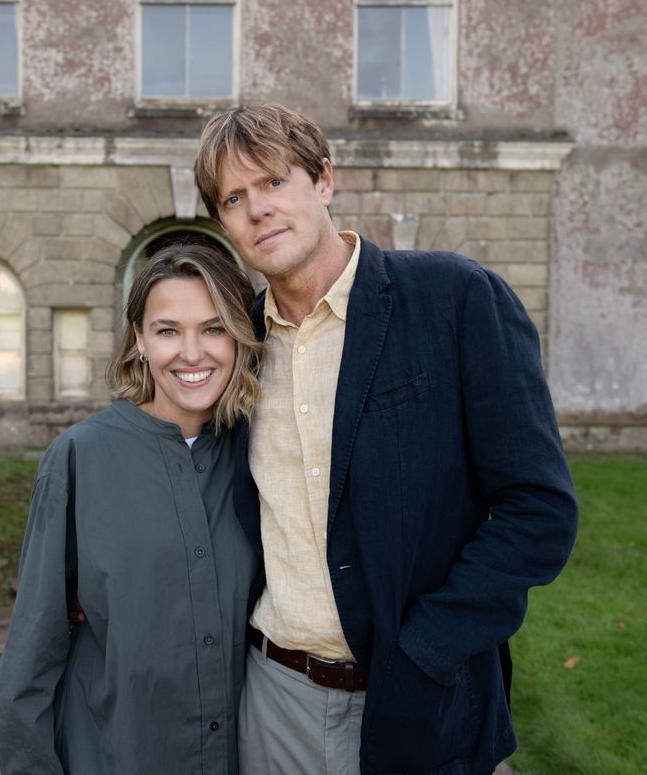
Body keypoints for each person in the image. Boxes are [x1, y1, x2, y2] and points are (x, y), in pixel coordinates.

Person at [191, 104, 580, 775]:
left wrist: (425, 649)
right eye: (234, 197)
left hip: (421, 699)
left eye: (275, 182)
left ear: (324, 182)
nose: (258, 209)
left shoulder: (455, 299)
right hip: (273, 700)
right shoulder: (237, 347)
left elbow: (538, 511)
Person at [0, 243, 263, 774]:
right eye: (167, 331)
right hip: (113, 751)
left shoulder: (258, 455)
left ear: (239, 337)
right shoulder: (79, 458)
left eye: (213, 328)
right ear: (138, 340)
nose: (192, 353)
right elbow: (30, 659)